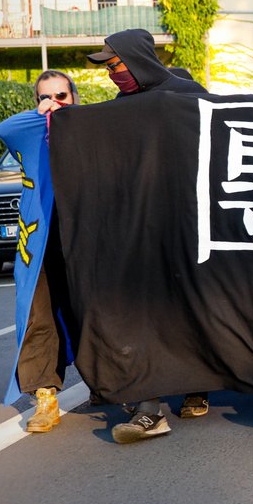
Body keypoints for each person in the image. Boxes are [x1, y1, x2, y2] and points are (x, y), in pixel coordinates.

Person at [85, 29, 208, 442]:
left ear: (136, 58)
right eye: (107, 68)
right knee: (138, 316)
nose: (111, 74)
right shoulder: (121, 106)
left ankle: (197, 385)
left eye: (115, 64)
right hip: (136, 230)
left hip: (186, 225)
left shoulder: (187, 93)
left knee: (186, 311)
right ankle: (148, 408)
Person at [0, 71, 80, 434]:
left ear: (74, 96)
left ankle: (110, 385)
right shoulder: (31, 135)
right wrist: (42, 114)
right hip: (40, 239)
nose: (54, 103)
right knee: (39, 314)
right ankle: (45, 397)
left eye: (61, 96)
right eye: (45, 97)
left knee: (93, 313)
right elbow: (5, 128)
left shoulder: (90, 129)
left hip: (84, 237)